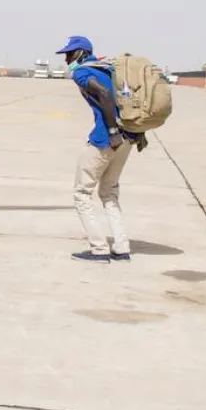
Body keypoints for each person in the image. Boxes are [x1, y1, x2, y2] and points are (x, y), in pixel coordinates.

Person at [60, 35, 144, 263]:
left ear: (79, 53)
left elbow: (105, 95)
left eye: (69, 54)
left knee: (82, 193)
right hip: (127, 137)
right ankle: (121, 247)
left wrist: (111, 131)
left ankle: (98, 249)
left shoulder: (82, 72)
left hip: (106, 138)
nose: (66, 59)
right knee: (109, 193)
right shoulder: (108, 69)